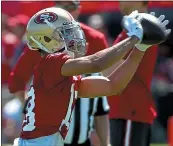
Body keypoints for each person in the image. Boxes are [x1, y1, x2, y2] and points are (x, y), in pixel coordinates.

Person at [9, 1, 111, 146]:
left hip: (82, 135)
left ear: (78, 9)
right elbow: (17, 82)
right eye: (60, 5)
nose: (64, 10)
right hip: (50, 137)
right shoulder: (44, 41)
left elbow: (104, 96)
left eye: (70, 6)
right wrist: (34, 113)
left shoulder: (95, 38)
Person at [102, 2, 164, 146]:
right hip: (131, 109)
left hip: (128, 110)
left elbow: (108, 72)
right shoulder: (138, 27)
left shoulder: (137, 29)